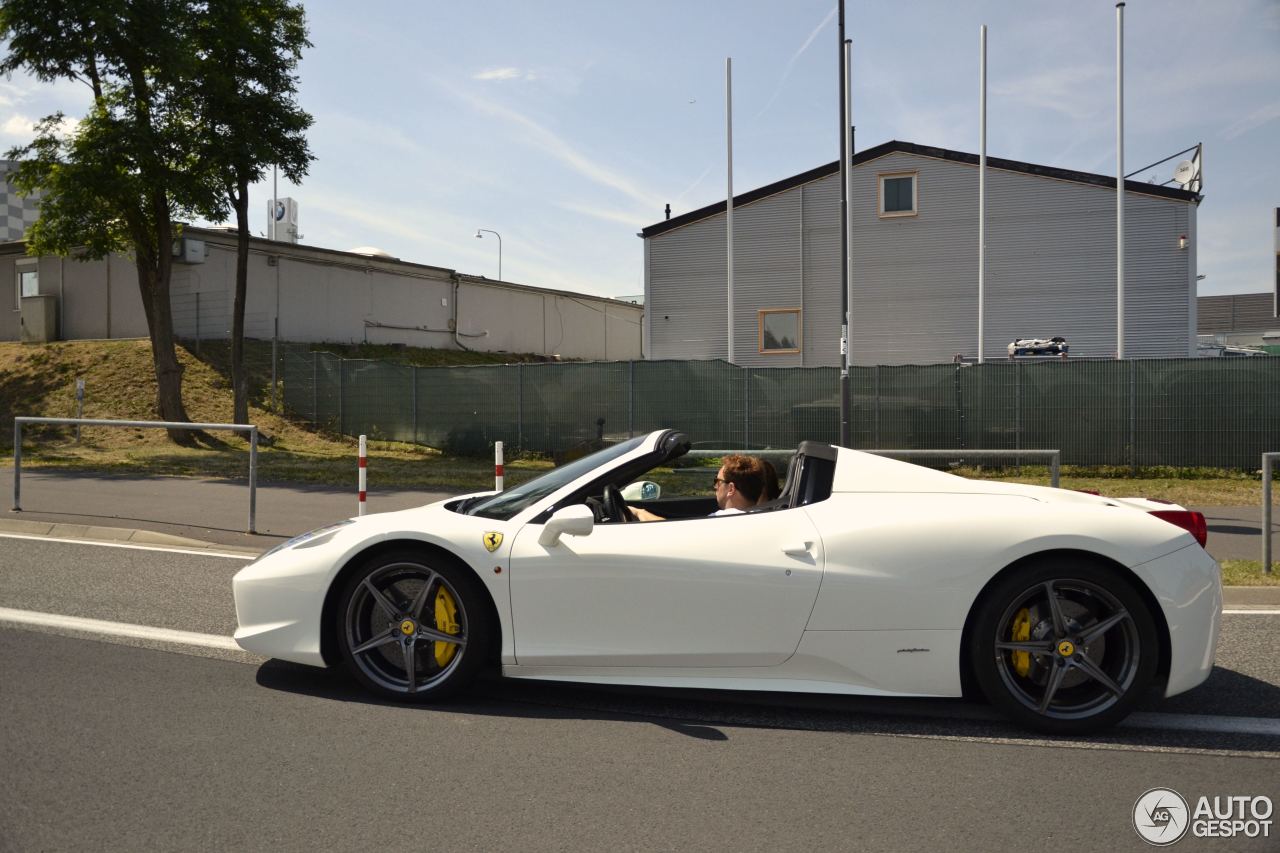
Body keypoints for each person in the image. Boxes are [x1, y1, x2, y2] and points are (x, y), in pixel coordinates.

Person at [632, 454, 767, 521]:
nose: (715, 486)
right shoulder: (762, 517)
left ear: (731, 489)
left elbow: (675, 536)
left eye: (718, 481)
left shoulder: (724, 520)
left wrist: (639, 513)